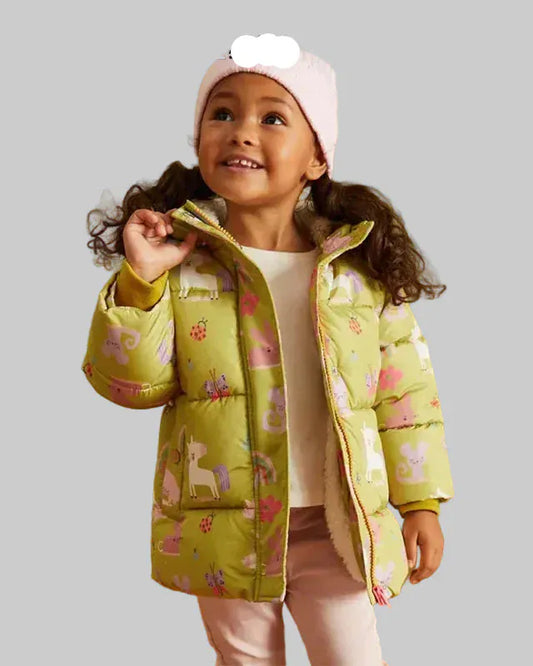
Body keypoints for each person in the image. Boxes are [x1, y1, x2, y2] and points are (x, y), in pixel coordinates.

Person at [81, 36, 454, 666]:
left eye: (273, 118)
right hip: (227, 525)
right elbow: (131, 384)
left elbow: (406, 395)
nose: (242, 132)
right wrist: (140, 280)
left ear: (317, 158)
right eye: (222, 113)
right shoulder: (179, 265)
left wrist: (420, 501)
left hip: (336, 523)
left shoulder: (355, 273)